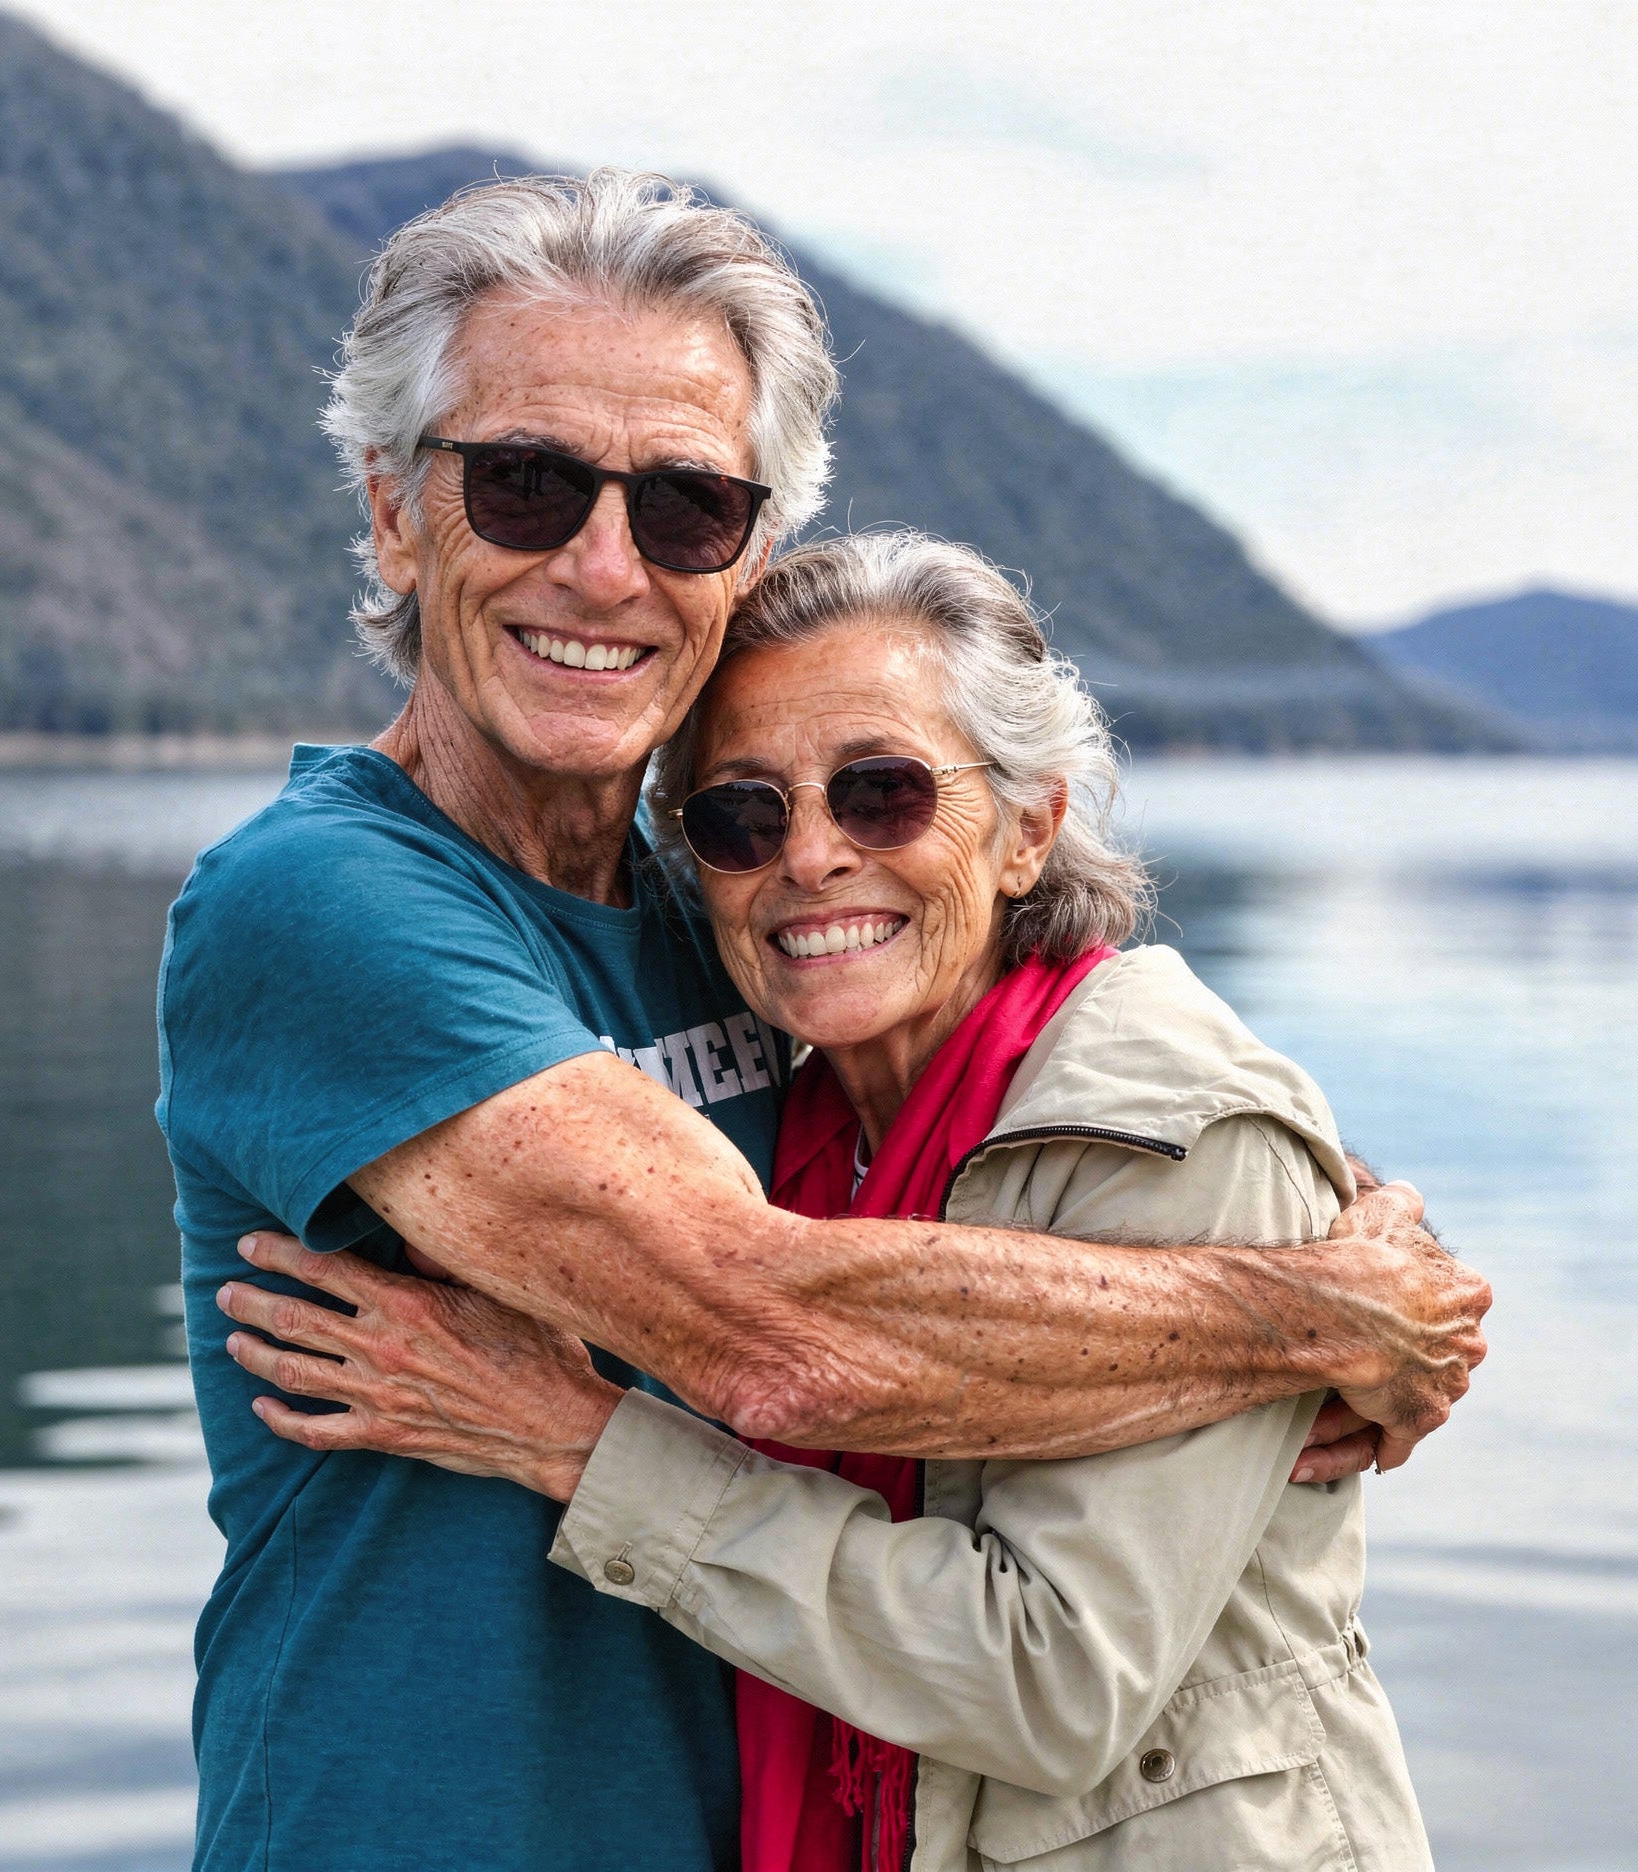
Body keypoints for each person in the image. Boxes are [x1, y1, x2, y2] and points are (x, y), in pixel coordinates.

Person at [158, 168, 1488, 1872]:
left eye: (687, 508)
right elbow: (765, 1327)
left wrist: (1318, 1194)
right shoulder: (322, 906)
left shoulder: (728, 907)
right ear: (397, 510)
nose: (604, 565)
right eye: (526, 483)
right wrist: (1313, 1315)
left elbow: (1021, 1072)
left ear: (751, 553)